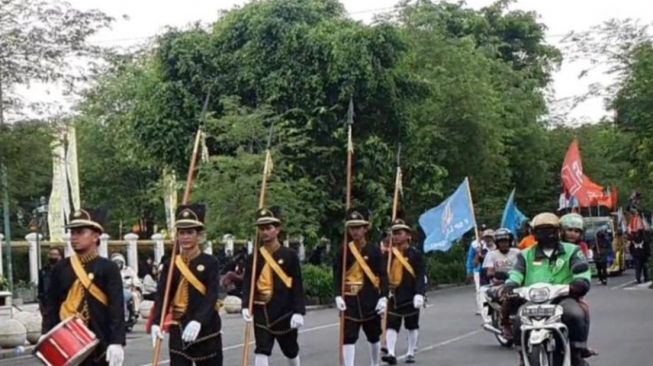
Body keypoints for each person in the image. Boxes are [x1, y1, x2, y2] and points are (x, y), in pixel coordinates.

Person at [502, 213, 592, 366]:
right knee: (519, 319)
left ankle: (577, 353)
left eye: (550, 230)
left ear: (558, 231)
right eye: (541, 230)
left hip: (563, 297)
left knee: (575, 314)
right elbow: (516, 274)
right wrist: (510, 286)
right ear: (533, 233)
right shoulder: (525, 255)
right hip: (533, 300)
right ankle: (523, 356)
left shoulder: (573, 251)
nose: (546, 234)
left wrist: (580, 282)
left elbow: (582, 273)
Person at [41, 208, 125, 366]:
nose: (74, 237)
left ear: (95, 236)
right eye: (72, 233)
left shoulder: (108, 268)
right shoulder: (60, 268)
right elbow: (51, 305)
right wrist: (46, 333)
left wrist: (117, 341)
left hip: (99, 344)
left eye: (80, 232)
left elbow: (116, 307)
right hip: (67, 343)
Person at [151, 204, 223, 365]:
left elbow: (212, 295)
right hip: (179, 326)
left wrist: (199, 320)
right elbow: (163, 294)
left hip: (206, 329)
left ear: (199, 235)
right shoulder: (171, 264)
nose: (185, 237)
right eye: (181, 233)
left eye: (190, 232)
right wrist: (157, 321)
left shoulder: (210, 262)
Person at [241, 207, 306, 366]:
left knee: (290, 350)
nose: (265, 232)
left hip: (284, 310)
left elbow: (297, 285)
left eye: (269, 228)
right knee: (262, 349)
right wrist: (245, 305)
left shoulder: (289, 255)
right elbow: (248, 283)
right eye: (262, 228)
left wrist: (299, 311)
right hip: (262, 309)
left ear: (277, 229)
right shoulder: (253, 258)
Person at [334, 208, 389, 366]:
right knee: (348, 337)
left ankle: (374, 363)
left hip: (369, 299)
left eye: (358, 227)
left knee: (373, 335)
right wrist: (337, 295)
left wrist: (383, 297)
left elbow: (383, 276)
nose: (355, 231)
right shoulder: (343, 251)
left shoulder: (374, 251)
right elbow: (337, 275)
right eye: (352, 228)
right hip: (349, 300)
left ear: (365, 228)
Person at [381, 219, 425, 365]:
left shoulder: (415, 254)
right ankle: (391, 353)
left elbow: (419, 275)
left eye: (399, 233)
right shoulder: (388, 255)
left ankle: (411, 351)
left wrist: (420, 293)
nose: (395, 236)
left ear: (407, 235)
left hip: (410, 294)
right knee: (391, 324)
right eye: (393, 233)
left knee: (411, 324)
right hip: (394, 295)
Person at [483, 228, 521, 339]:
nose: (504, 244)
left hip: (518, 282)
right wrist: (496, 276)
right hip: (500, 284)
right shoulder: (491, 254)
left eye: (506, 241)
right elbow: (490, 272)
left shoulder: (518, 253)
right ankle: (506, 324)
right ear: (497, 243)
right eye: (501, 242)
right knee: (508, 296)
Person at [466, 229, 494, 315]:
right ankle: (483, 310)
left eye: (490, 237)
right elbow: (473, 262)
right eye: (486, 238)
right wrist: (478, 255)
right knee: (481, 292)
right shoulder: (478, 247)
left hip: (496, 274)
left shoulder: (497, 247)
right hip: (482, 274)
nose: (488, 239)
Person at [110, 253, 143, 320]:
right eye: (116, 262)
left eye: (119, 262)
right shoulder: (111, 271)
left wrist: (135, 286)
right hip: (115, 291)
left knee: (135, 295)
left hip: (128, 290)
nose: (118, 264)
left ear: (123, 262)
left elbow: (135, 279)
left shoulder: (129, 270)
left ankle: (135, 312)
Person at [38, 247, 64, 311]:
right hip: (47, 302)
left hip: (61, 302)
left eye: (55, 254)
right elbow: (41, 286)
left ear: (60, 256)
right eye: (51, 254)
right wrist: (41, 299)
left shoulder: (65, 270)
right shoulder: (44, 270)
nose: (53, 257)